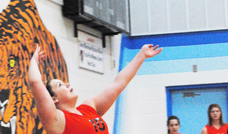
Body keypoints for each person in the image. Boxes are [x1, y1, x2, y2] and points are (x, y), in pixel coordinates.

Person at [28, 44, 162, 134]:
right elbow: (35, 82)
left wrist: (142, 55)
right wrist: (33, 61)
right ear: (54, 99)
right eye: (60, 85)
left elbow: (118, 84)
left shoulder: (89, 107)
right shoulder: (57, 120)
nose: (67, 84)